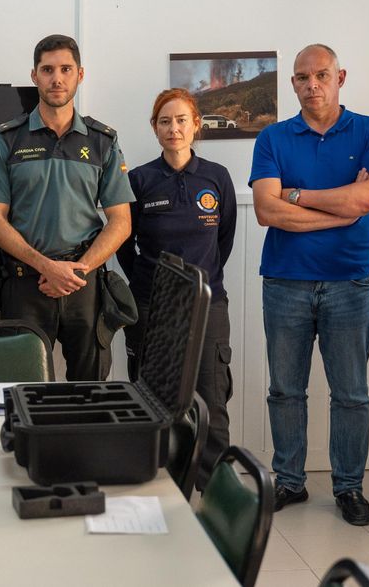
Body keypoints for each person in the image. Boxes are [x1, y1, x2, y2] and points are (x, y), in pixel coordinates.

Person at [249, 43, 369, 526]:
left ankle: (349, 487)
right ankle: (290, 481)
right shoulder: (272, 137)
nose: (312, 85)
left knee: (351, 394)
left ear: (340, 77)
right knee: (285, 390)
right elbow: (266, 210)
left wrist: (297, 196)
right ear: (292, 82)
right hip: (285, 282)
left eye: (322, 75)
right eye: (302, 77)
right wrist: (341, 211)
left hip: (350, 281)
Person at [0, 34, 134, 381]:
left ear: (80, 74)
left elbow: (121, 221)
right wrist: (46, 266)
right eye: (47, 70)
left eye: (65, 69)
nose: (56, 79)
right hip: (25, 285)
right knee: (21, 389)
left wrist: (76, 271)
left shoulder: (102, 141)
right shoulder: (6, 139)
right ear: (34, 76)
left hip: (85, 285)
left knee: (90, 392)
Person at [118, 88, 236, 488]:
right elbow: (125, 245)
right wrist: (150, 284)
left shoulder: (217, 177)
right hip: (152, 307)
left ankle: (214, 491)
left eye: (182, 120)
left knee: (212, 401)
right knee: (152, 399)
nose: (174, 128)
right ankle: (158, 487)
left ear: (196, 124)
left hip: (208, 305)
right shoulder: (140, 180)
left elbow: (223, 241)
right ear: (154, 128)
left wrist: (197, 281)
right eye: (165, 121)